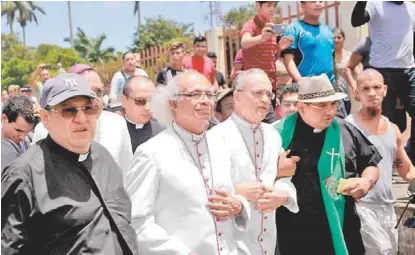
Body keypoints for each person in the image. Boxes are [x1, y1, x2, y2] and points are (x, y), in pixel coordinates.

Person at [1, 73, 138, 254]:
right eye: (68, 110)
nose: (81, 118)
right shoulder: (24, 175)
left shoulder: (103, 156)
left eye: (88, 108)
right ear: (46, 118)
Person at [126, 70, 250, 255]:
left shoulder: (221, 146)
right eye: (194, 94)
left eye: (209, 94)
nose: (205, 100)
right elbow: (136, 222)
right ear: (173, 103)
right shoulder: (151, 153)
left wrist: (239, 206)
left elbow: (237, 195)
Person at [274, 74, 381, 255]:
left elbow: (370, 163)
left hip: (343, 228)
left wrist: (366, 182)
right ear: (301, 107)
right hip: (295, 237)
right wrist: (275, 172)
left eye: (333, 104)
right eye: (321, 105)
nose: (330, 111)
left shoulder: (345, 130)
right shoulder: (277, 135)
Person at [210, 68, 299, 255]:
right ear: (237, 97)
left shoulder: (272, 134)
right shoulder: (215, 137)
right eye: (258, 93)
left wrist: (282, 195)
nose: (266, 99)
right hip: (231, 242)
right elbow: (201, 188)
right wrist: (236, 190)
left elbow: (283, 177)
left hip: (268, 240)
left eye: (269, 94)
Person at [345, 69, 415, 255]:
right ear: (356, 93)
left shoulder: (393, 130)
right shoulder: (346, 127)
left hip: (387, 210)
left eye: (376, 87)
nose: (372, 93)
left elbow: (406, 170)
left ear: (385, 90)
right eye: (366, 88)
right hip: (360, 208)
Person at [33, 64, 133, 177]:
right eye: (87, 93)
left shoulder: (117, 123)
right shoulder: (45, 129)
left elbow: (127, 172)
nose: (94, 99)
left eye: (99, 92)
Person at [351, 1, 415, 161]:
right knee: (383, 117)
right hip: (382, 70)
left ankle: (412, 160)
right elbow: (356, 21)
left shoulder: (411, 8)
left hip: (408, 70)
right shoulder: (375, 4)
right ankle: (381, 161)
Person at [282, 1, 335, 84]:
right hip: (305, 86)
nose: (318, 4)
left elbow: (331, 60)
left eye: (320, 1)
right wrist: (300, 81)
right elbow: (288, 59)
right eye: (313, 1)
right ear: (302, 6)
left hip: (330, 86)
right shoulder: (294, 29)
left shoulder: (329, 30)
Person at [121, 75, 164, 153]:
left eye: (152, 101)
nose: (147, 107)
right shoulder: (113, 134)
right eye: (140, 101)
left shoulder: (163, 132)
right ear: (124, 100)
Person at [1, 95, 38, 171]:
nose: (23, 137)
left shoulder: (29, 142)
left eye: (27, 132)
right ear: (4, 118)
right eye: (18, 130)